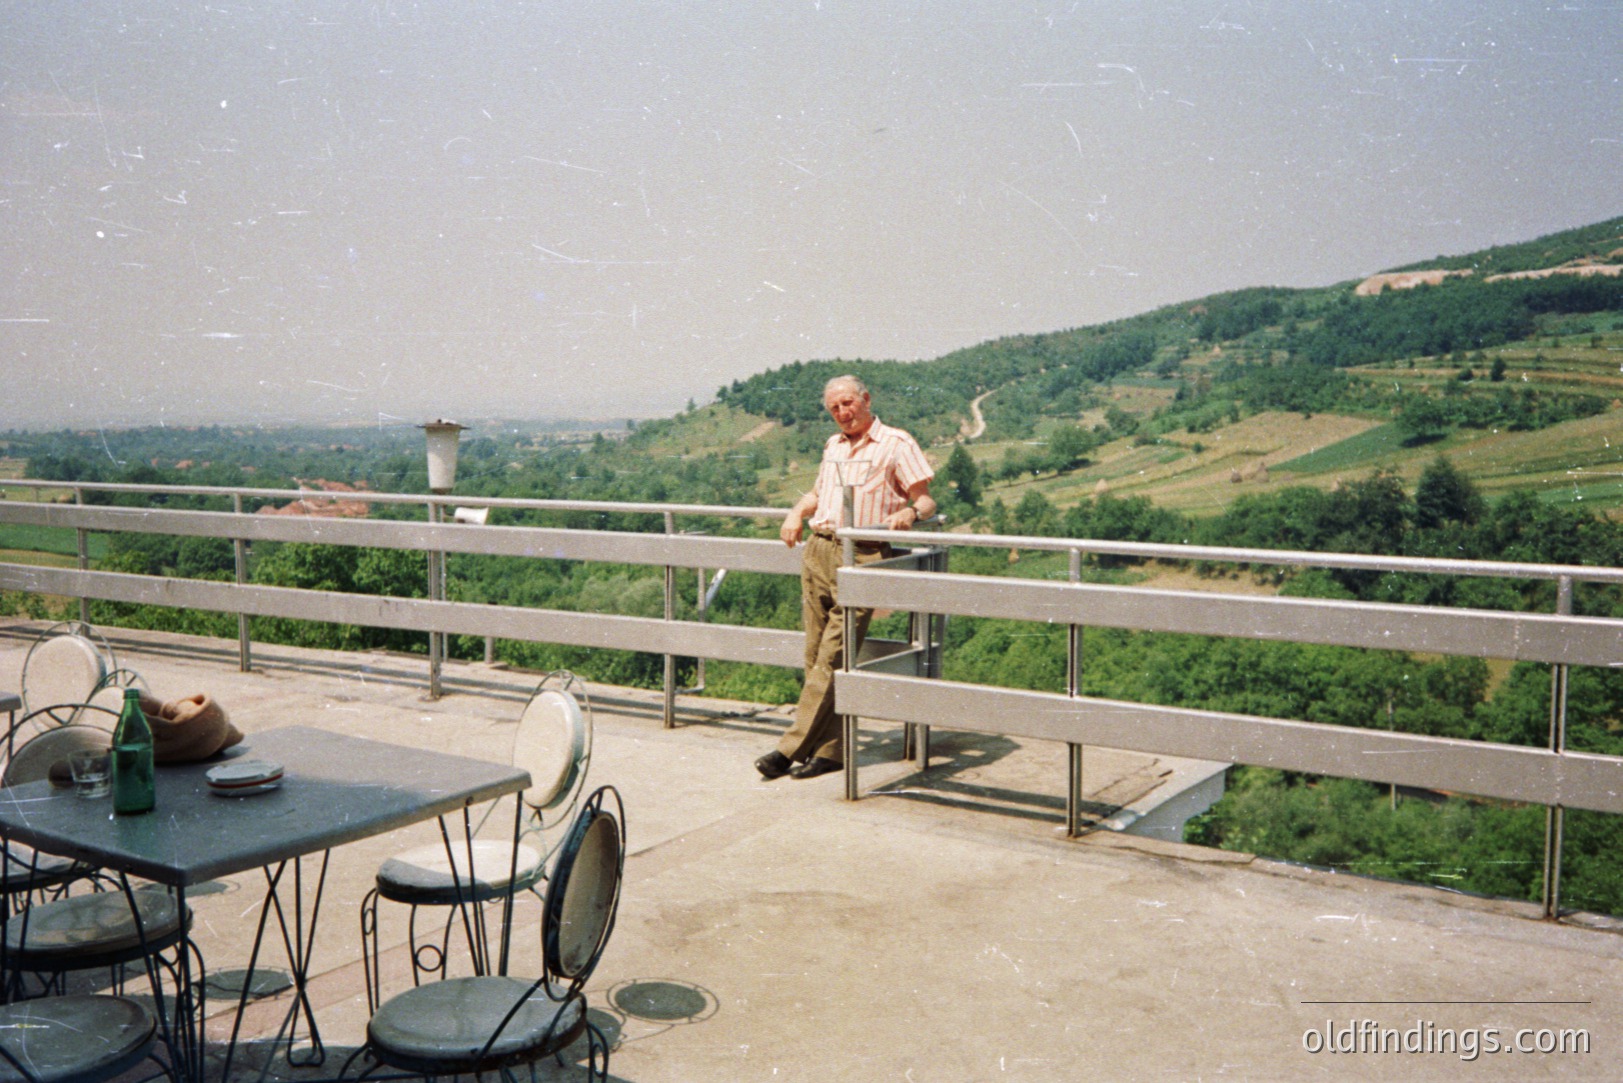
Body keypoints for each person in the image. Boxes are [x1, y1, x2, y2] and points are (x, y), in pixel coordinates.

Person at [756, 375, 935, 781]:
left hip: (863, 553)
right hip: (819, 549)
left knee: (833, 654)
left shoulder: (896, 442)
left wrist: (909, 513)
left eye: (849, 403)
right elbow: (819, 493)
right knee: (815, 654)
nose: (843, 413)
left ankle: (788, 749)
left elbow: (924, 498)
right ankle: (831, 752)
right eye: (835, 408)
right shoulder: (833, 445)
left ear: (866, 399)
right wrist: (794, 513)